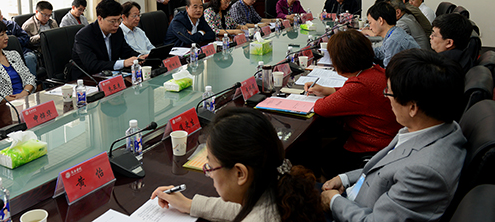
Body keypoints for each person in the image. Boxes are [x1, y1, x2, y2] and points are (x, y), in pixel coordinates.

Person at [322, 49, 466, 222]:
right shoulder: (432, 127)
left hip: (351, 211)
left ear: (412, 108)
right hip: (357, 192)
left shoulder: (424, 172)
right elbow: (383, 169)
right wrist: (344, 178)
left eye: (389, 92)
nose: (387, 98)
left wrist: (334, 201)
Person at [152, 107, 325, 222]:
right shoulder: (277, 189)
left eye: (210, 167)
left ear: (240, 173)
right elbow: (240, 208)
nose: (209, 174)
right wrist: (189, 205)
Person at [303, 30, 401, 177]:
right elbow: (355, 95)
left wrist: (327, 95)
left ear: (341, 61)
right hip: (388, 142)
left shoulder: (360, 85)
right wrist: (328, 90)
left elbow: (321, 107)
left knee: (315, 155)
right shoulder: (377, 71)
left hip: (370, 148)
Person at [70, 0, 140, 79]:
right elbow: (92, 65)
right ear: (100, 19)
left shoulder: (117, 31)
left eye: (119, 20)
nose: (117, 24)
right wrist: (123, 63)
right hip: (87, 79)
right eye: (113, 21)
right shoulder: (84, 36)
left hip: (110, 76)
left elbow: (126, 52)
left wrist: (141, 57)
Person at [0, 6, 38, 75]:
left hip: (19, 52)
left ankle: (32, 80)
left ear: (1, 17)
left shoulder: (11, 25)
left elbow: (26, 38)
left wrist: (13, 42)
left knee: (29, 58)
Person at [364, 2, 419, 66]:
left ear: (380, 20)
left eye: (370, 23)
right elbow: (381, 52)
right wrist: (363, 49)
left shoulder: (393, 40)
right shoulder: (394, 32)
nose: (370, 28)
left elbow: (389, 69)